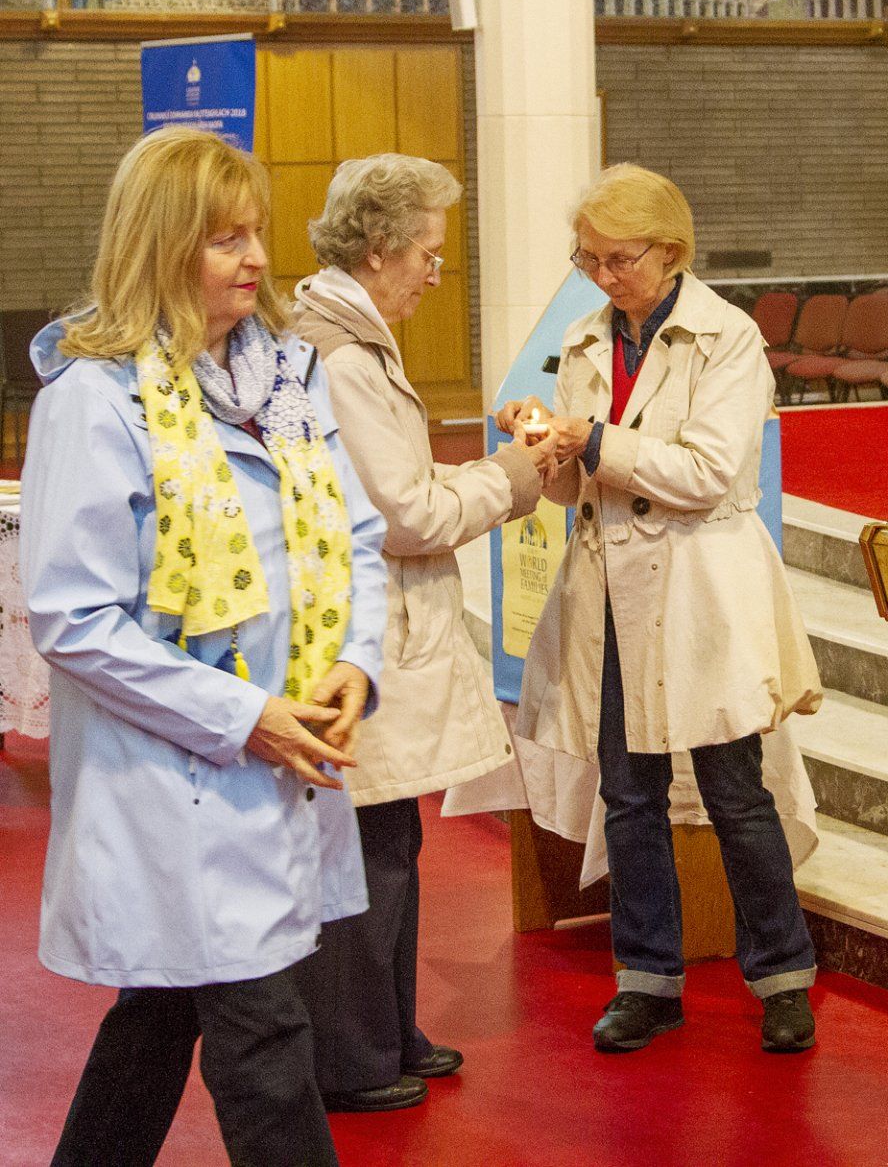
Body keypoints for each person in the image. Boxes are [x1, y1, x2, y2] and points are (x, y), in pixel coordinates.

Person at [21, 127, 389, 1167]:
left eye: (256, 234)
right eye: (225, 239)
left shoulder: (287, 380)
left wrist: (354, 662)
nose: (257, 260)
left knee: (162, 1013)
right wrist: (243, 717)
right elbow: (74, 617)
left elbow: (353, 535)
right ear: (161, 246)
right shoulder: (95, 400)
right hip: (174, 777)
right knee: (264, 1034)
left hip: (282, 756)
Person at [493, 164, 824, 1055]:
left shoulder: (728, 338)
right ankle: (646, 981)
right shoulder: (585, 338)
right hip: (609, 591)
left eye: (619, 259)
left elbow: (711, 471)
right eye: (588, 258)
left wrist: (591, 441)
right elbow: (576, 490)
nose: (602, 276)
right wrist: (544, 446)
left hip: (698, 588)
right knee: (628, 798)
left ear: (670, 252)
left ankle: (783, 976)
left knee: (734, 795)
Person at [287, 155, 553, 1113]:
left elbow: (399, 485)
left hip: (380, 621)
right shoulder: (341, 355)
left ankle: (389, 1031)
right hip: (364, 628)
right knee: (364, 850)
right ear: (379, 246)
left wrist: (477, 472)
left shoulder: (355, 337)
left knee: (391, 837)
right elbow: (402, 514)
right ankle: (352, 1060)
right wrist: (514, 476)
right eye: (429, 255)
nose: (438, 274)